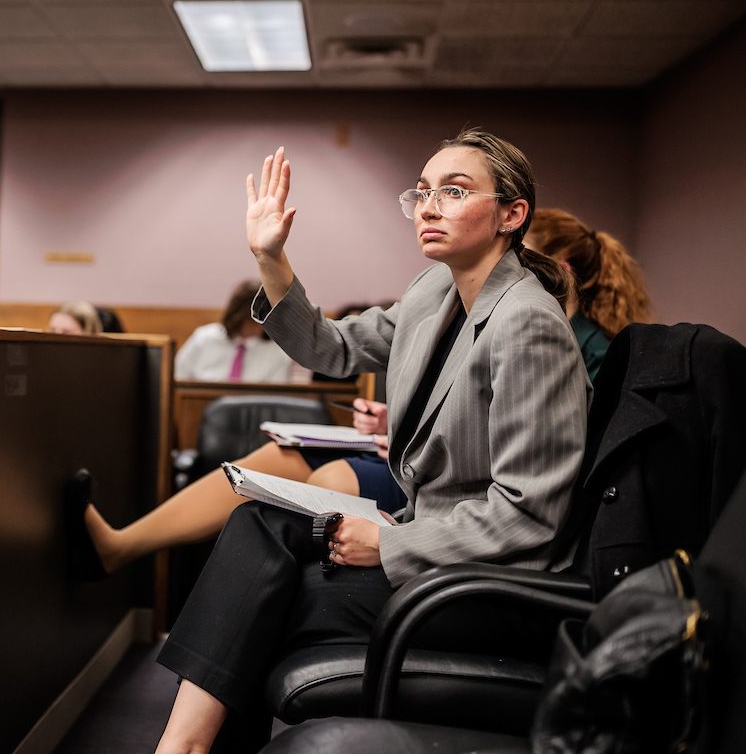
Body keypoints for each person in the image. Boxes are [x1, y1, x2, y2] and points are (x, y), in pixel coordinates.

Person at [152, 132, 590, 754]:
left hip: (490, 585)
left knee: (266, 600)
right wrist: (271, 256)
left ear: (511, 215)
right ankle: (184, 749)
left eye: (455, 191)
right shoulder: (434, 292)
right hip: (437, 548)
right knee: (257, 524)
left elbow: (528, 515)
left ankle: (181, 749)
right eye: (424, 192)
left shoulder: (527, 323)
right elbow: (328, 348)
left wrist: (390, 542)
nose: (430, 206)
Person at [525, 208, 652, 381]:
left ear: (560, 270)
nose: (513, 268)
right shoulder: (533, 334)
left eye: (523, 258)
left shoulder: (599, 354)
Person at [175, 280, 310, 383]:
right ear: (238, 315)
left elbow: (276, 397)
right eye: (253, 320)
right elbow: (177, 376)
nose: (260, 326)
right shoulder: (203, 338)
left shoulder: (277, 352)